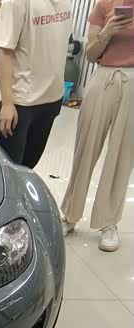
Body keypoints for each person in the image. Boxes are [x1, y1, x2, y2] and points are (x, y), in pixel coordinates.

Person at [61, 0, 134, 252]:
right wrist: (108, 31)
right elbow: (91, 54)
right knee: (85, 148)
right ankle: (70, 214)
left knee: (122, 155)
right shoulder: (104, 4)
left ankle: (109, 222)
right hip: (103, 76)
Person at [0, 0, 73, 168]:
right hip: (22, 101)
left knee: (30, 164)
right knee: (8, 167)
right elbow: (5, 52)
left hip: (52, 98)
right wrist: (7, 103)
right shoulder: (16, 3)